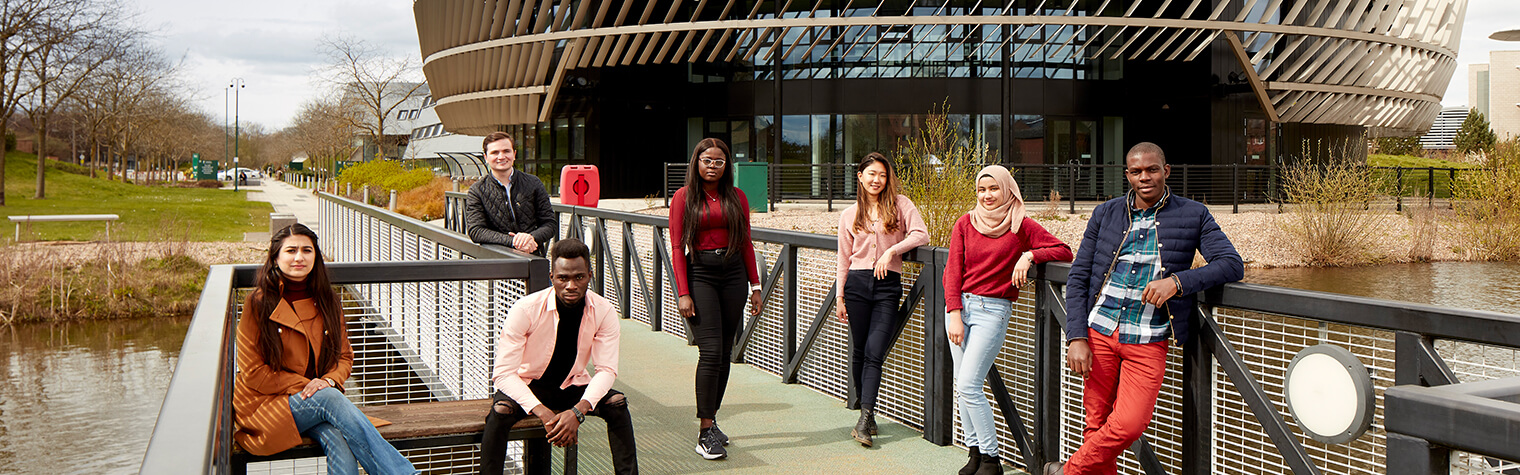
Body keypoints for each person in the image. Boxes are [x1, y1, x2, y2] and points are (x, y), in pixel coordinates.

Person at [1044, 143, 1243, 475]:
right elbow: (1078, 276)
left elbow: (1231, 264)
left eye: (1152, 169)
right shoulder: (1105, 213)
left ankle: (1066, 472)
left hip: (1149, 337)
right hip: (1099, 332)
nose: (1144, 177)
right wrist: (1075, 336)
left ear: (1166, 171)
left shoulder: (1193, 214)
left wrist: (1177, 282)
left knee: (1129, 424)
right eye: (1136, 172)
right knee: (1095, 424)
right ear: (1127, 175)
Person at [233, 223, 418, 475]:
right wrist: (315, 388)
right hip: (265, 407)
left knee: (338, 437)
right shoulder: (258, 303)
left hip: (315, 401)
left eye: (307, 250)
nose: (299, 257)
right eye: (291, 251)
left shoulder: (328, 300)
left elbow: (344, 357)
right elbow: (253, 371)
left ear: (315, 257)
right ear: (275, 258)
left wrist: (328, 381)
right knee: (329, 399)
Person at [946, 165, 1073, 475]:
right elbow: (952, 269)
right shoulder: (965, 223)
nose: (987, 196)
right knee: (962, 385)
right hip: (960, 309)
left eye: (994, 189)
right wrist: (953, 313)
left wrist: (1029, 256)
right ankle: (975, 453)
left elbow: (1064, 250)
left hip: (993, 310)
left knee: (969, 384)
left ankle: (991, 459)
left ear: (1008, 190)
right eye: (981, 190)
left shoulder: (1021, 225)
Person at [480, 238, 638, 475]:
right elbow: (503, 374)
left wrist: (578, 411)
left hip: (570, 384)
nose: (571, 285)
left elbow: (606, 370)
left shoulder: (603, 310)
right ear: (552, 276)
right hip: (529, 385)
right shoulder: (525, 309)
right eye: (563, 278)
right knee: (501, 411)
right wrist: (544, 413)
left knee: (617, 403)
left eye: (579, 277)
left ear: (590, 276)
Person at [669, 137, 763, 460]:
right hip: (701, 276)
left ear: (727, 165)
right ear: (696, 163)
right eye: (707, 160)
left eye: (719, 161)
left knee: (725, 353)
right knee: (709, 352)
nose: (713, 166)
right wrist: (683, 292)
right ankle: (704, 431)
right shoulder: (683, 198)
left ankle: (713, 420)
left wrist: (755, 286)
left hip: (734, 274)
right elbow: (676, 248)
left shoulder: (737, 197)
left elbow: (747, 242)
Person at [834, 152, 929, 447]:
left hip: (887, 285)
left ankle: (865, 415)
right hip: (857, 285)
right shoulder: (849, 215)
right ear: (860, 176)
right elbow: (843, 259)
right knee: (860, 350)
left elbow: (921, 234)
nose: (877, 180)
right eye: (871, 174)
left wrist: (892, 251)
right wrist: (839, 296)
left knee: (876, 350)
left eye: (882, 175)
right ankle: (866, 412)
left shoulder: (901, 204)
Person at [464, 131, 558, 256]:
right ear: (486, 157)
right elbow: (476, 230)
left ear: (514, 154)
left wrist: (531, 238)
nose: (501, 156)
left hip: (532, 258)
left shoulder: (533, 183)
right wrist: (514, 241)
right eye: (495, 152)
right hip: (496, 262)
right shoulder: (477, 190)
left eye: (506, 151)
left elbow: (549, 223)